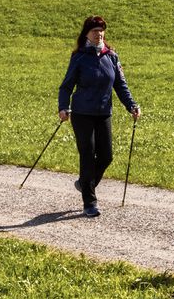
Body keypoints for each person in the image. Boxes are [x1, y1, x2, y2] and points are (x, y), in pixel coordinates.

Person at [58, 15, 141, 218]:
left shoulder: (111, 56)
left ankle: (85, 183)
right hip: (81, 113)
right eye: (95, 31)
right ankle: (90, 202)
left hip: (103, 112)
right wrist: (63, 107)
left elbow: (120, 85)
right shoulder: (79, 56)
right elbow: (66, 86)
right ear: (87, 34)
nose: (99, 34)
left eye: (102, 30)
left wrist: (131, 105)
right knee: (87, 155)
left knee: (106, 156)